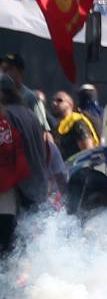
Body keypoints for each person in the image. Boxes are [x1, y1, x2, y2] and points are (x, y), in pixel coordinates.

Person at [0, 75, 48, 210]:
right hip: (37, 187)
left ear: (2, 93)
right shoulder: (30, 114)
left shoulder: (6, 115)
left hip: (18, 191)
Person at [0, 106, 29, 256]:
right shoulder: (9, 130)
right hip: (7, 194)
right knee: (6, 244)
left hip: (7, 194)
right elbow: (20, 163)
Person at [0, 53, 50, 132]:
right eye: (3, 69)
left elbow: (41, 128)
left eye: (9, 69)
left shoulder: (31, 97)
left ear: (20, 71)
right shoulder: (1, 96)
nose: (4, 73)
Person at [49, 91, 99, 160]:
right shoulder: (57, 128)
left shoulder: (77, 123)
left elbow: (88, 152)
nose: (54, 103)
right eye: (53, 101)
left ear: (70, 104)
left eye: (59, 100)